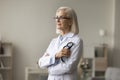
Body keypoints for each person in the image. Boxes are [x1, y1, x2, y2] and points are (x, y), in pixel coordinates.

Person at [38, 6, 83, 80]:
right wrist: (55, 56)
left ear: (70, 21)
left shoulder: (77, 41)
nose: (57, 20)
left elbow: (68, 67)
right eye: (56, 17)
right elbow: (41, 62)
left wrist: (49, 68)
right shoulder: (53, 41)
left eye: (61, 17)